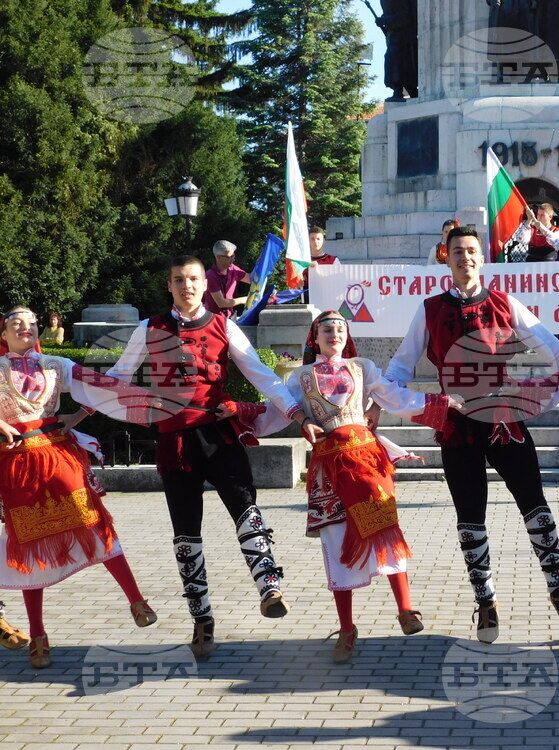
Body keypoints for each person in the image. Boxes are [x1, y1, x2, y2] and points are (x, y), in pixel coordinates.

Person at [385, 225, 559, 642]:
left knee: (535, 504)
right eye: (457, 252)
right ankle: (485, 602)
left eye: (472, 251)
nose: (465, 258)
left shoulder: (505, 302)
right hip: (458, 426)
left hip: (504, 417)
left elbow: (550, 347)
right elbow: (400, 366)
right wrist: (405, 401)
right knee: (470, 516)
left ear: (481, 258)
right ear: (446, 259)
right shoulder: (430, 309)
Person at [108, 256, 321, 658]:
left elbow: (261, 373)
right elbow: (115, 381)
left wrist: (296, 416)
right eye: (178, 280)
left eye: (192, 279)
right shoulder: (148, 329)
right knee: (186, 533)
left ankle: (269, 585)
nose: (186, 286)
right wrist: (92, 410)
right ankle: (201, 620)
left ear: (204, 284)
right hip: (175, 442)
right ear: (169, 286)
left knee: (246, 509)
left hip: (219, 435)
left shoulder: (224, 325)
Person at [257, 311, 461, 662]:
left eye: (340, 328)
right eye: (326, 329)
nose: (334, 333)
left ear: (347, 336)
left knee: (385, 525)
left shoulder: (361, 366)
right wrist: (240, 419)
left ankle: (406, 609)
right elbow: (275, 412)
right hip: (329, 468)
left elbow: (393, 396)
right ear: (314, 337)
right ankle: (347, 629)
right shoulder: (301, 377)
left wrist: (437, 403)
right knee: (337, 542)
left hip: (367, 460)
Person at [0, 306, 160, 668]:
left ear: (39, 330)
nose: (24, 328)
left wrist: (86, 413)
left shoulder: (56, 364)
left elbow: (101, 387)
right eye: (15, 324)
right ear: (4, 334)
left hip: (58, 453)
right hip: (17, 465)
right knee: (29, 546)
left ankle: (136, 599)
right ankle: (38, 634)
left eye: (31, 323)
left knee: (94, 522)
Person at [377, 0, 418, 101]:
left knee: (396, 61)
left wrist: (385, 21)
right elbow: (390, 13)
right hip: (394, 37)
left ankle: (402, 90)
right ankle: (403, 90)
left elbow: (405, 17)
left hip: (404, 38)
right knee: (394, 61)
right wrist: (382, 20)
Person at [203, 240, 251, 318]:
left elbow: (251, 279)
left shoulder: (233, 269)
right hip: (214, 319)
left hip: (230, 316)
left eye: (233, 255)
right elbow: (221, 303)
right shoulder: (210, 276)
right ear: (218, 257)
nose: (233, 259)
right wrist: (244, 300)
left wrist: (261, 263)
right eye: (229, 257)